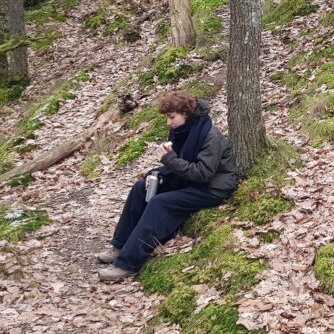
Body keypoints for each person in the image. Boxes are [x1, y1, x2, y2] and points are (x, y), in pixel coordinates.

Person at [97, 91, 237, 282]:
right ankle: (120, 245)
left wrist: (169, 160)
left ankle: (127, 264)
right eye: (167, 118)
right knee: (141, 187)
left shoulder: (210, 135)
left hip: (212, 189)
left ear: (185, 114)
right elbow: (178, 164)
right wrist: (159, 174)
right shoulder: (181, 130)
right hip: (190, 181)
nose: (168, 123)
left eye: (171, 117)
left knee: (160, 203)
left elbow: (203, 173)